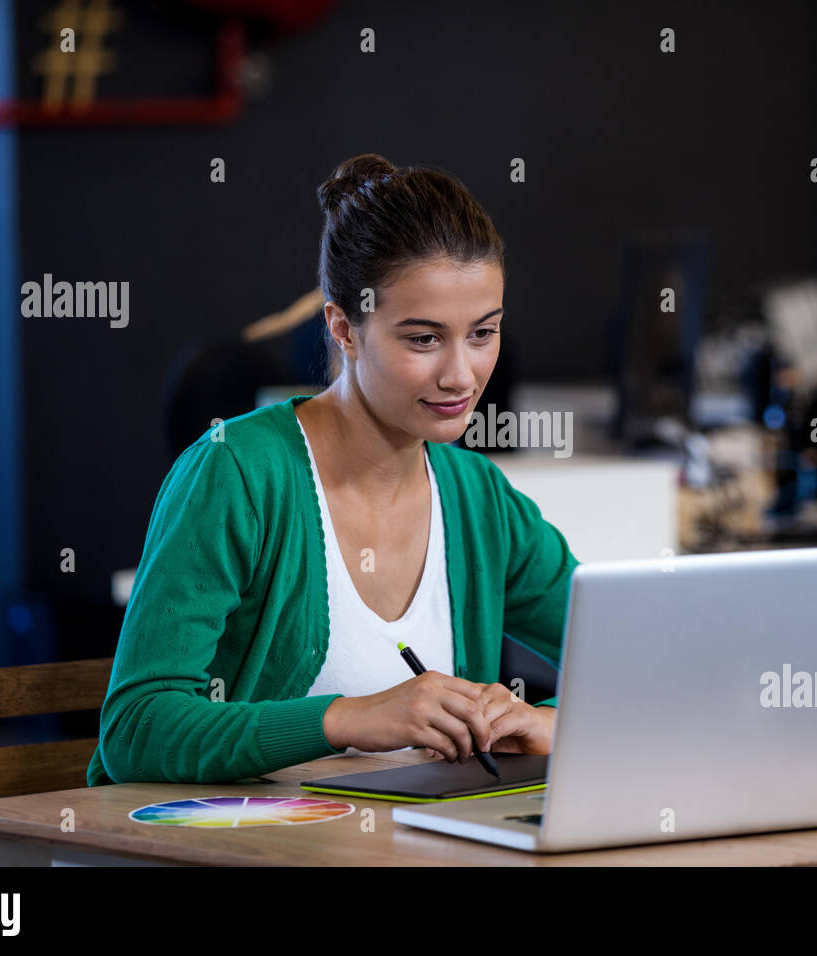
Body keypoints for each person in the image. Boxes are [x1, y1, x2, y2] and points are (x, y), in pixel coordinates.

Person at [87, 153, 579, 785]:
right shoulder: (238, 473)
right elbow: (136, 728)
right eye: (423, 339)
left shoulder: (477, 496)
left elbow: (636, 655)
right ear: (344, 328)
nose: (461, 375)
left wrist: (550, 723)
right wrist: (347, 719)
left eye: (483, 333)